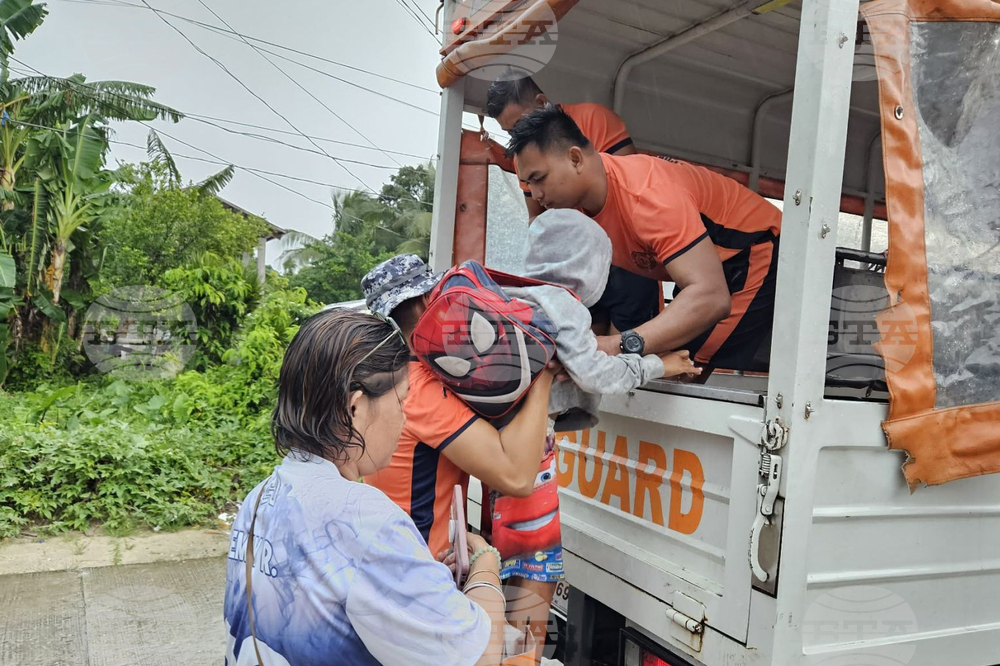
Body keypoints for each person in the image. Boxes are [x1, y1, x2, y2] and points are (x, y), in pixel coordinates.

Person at [223, 309, 508, 666]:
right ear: (354, 408)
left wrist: (419, 580)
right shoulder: (364, 519)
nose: (404, 418)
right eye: (401, 401)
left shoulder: (259, 499)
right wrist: (484, 564)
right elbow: (480, 656)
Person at [360, 254, 557, 662]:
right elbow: (517, 477)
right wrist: (544, 374)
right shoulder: (421, 389)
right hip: (424, 583)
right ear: (429, 302)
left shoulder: (388, 381)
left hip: (391, 569)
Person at [506, 105, 782, 372]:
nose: (536, 194)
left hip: (758, 251)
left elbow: (711, 298)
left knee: (685, 366)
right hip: (708, 268)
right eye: (528, 184)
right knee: (657, 356)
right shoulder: (572, 210)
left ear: (575, 159)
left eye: (539, 179)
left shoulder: (648, 197)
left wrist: (616, 345)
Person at [485, 68, 660, 335]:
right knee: (582, 346)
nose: (516, 137)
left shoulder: (594, 120)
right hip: (576, 265)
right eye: (509, 132)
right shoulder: (522, 156)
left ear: (542, 103)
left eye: (518, 125)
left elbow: (631, 185)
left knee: (625, 350)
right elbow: (537, 218)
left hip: (624, 256)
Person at [499, 208, 702, 430]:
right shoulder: (562, 306)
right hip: (520, 429)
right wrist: (658, 365)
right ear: (591, 265)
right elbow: (595, 375)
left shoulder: (512, 294)